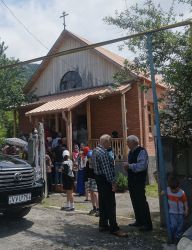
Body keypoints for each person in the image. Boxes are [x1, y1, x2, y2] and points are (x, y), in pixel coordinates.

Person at [92, 134, 127, 237]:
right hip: (105, 180)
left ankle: (103, 225)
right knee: (111, 204)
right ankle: (114, 228)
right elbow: (107, 171)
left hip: (98, 178)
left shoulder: (95, 150)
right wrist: (113, 183)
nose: (110, 145)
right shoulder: (103, 153)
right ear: (106, 142)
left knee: (103, 203)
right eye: (110, 142)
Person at [124, 135, 153, 231]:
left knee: (141, 202)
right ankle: (139, 221)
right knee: (135, 201)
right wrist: (127, 167)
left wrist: (130, 166)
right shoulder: (131, 152)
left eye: (128, 142)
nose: (127, 144)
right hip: (132, 180)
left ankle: (147, 224)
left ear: (134, 142)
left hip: (139, 180)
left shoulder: (141, 151)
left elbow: (142, 166)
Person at [166, 175, 188, 243]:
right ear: (170, 187)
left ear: (178, 186)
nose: (174, 191)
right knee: (173, 225)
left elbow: (185, 202)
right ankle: (171, 237)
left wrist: (186, 209)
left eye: (176, 189)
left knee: (180, 226)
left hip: (180, 213)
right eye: (173, 189)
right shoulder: (167, 190)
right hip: (172, 212)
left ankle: (177, 238)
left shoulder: (181, 192)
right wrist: (163, 193)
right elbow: (163, 192)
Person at [86, 150, 99, 216]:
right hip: (89, 178)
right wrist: (86, 180)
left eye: (90, 158)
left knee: (95, 193)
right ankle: (94, 207)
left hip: (95, 179)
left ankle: (98, 209)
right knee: (91, 192)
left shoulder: (95, 163)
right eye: (88, 158)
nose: (89, 159)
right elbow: (87, 171)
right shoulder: (88, 163)